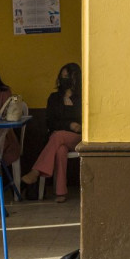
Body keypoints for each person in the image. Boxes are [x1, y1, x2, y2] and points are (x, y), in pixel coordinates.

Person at [21, 63, 83, 203]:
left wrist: (78, 126)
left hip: (79, 138)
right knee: (60, 149)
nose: (64, 79)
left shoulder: (83, 97)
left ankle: (35, 172)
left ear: (76, 78)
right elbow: (51, 122)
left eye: (68, 76)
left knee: (58, 136)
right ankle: (60, 191)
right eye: (62, 77)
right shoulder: (54, 98)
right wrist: (69, 124)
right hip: (59, 138)